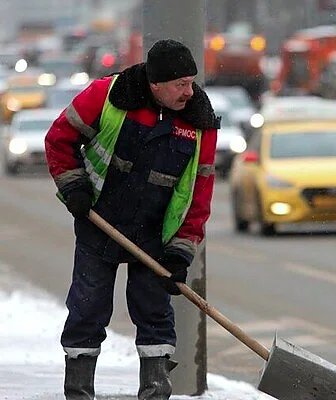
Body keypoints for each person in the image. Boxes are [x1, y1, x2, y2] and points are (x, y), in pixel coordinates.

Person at [44, 39, 219, 399]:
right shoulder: (107, 97)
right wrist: (75, 188)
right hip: (100, 221)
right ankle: (78, 391)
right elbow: (59, 140)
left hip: (155, 235)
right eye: (179, 84)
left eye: (191, 81)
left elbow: (198, 196)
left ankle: (156, 391)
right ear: (155, 84)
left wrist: (180, 253)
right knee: (87, 308)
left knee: (155, 315)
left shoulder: (199, 122)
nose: (189, 91)